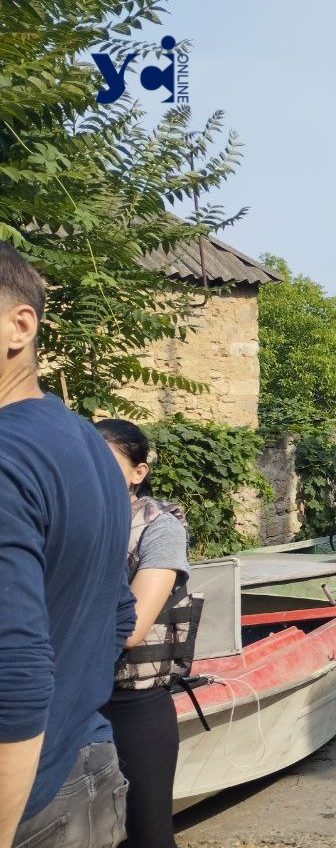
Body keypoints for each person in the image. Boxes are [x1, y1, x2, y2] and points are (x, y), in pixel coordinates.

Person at [0, 242, 134, 848]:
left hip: (22, 803)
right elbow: (117, 615)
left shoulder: (5, 458)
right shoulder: (86, 445)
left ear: (19, 325)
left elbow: (14, 673)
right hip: (89, 771)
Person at [94, 420, 198, 848]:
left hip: (131, 703)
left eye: (106, 462)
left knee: (147, 836)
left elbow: (132, 629)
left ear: (139, 473)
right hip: (69, 698)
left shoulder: (160, 528)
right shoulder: (62, 520)